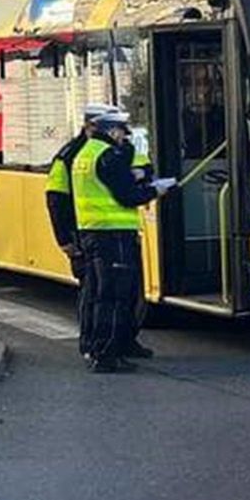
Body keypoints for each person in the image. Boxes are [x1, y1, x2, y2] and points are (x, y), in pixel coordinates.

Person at [71, 109, 169, 373]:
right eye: (120, 131)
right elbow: (126, 196)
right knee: (115, 296)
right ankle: (107, 356)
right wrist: (156, 190)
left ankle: (99, 348)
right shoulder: (108, 155)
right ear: (111, 130)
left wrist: (134, 177)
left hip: (93, 232)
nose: (123, 136)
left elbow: (113, 183)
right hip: (113, 235)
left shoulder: (86, 153)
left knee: (102, 294)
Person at [46, 104, 111, 357]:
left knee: (109, 289)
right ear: (89, 126)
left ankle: (121, 341)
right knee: (91, 288)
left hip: (102, 230)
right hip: (80, 232)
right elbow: (55, 198)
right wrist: (64, 239)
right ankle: (89, 342)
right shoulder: (69, 155)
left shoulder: (107, 150)